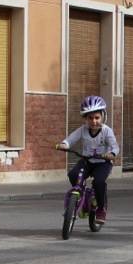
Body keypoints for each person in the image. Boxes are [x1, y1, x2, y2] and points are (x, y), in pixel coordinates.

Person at [56, 95, 119, 223]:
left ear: (103, 116)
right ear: (85, 119)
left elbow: (115, 147)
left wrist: (111, 153)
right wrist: (64, 144)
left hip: (102, 163)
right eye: (90, 118)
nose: (94, 121)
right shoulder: (83, 130)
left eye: (97, 118)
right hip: (87, 161)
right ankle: (82, 196)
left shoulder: (107, 131)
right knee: (73, 175)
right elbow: (71, 139)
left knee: (99, 182)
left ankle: (101, 209)